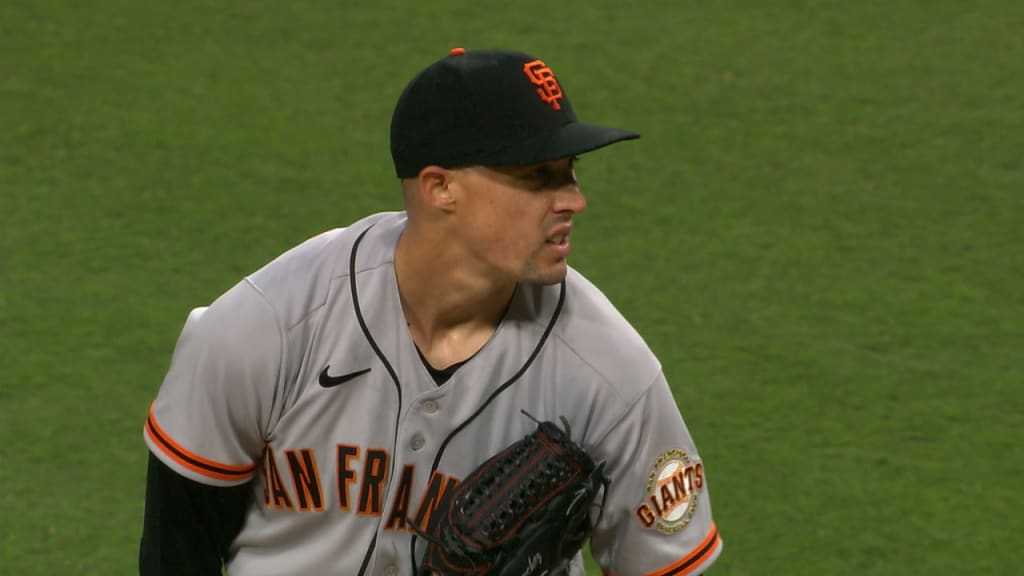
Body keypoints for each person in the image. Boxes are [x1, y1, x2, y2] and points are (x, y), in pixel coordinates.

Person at [140, 47, 723, 576]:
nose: (573, 199)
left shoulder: (610, 376)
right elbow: (176, 555)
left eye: (571, 172)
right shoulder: (267, 326)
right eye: (538, 176)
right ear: (441, 187)